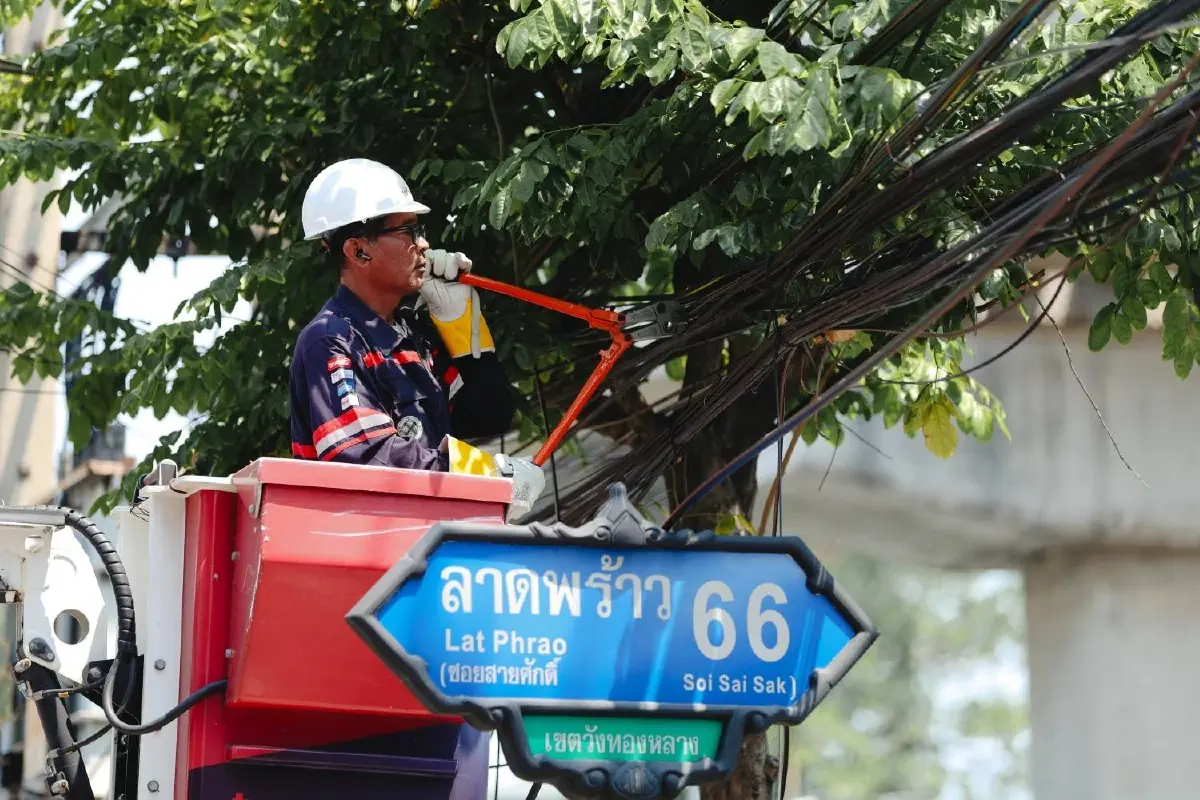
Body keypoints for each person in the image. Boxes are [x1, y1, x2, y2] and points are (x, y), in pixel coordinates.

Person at [288, 157, 544, 518]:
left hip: (419, 547)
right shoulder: (331, 341)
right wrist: (485, 477)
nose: (424, 244)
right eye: (407, 231)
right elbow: (368, 458)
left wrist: (460, 321)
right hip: (365, 559)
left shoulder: (411, 336)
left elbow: (489, 416)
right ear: (358, 250)